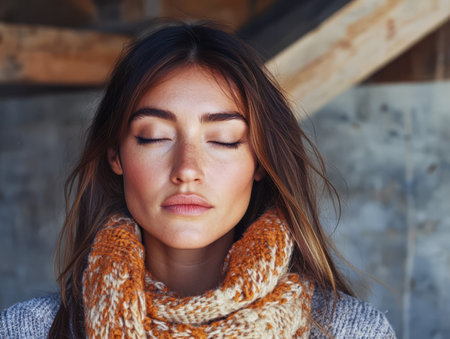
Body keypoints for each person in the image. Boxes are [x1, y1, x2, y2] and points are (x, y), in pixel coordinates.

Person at [0, 22, 395, 338]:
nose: (187, 168)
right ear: (116, 156)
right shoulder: (31, 330)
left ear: (259, 161)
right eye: (154, 137)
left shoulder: (349, 331)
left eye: (223, 141)